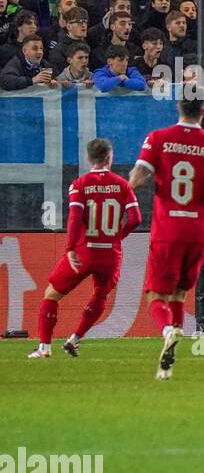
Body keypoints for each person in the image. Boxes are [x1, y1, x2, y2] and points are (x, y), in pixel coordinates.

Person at [128, 98, 204, 380]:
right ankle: (168, 365)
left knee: (156, 295)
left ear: (178, 108)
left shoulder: (158, 139)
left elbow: (137, 178)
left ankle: (168, 330)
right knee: (180, 293)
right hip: (199, 232)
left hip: (168, 229)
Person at [29, 138, 141, 359]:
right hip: (110, 253)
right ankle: (75, 338)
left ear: (89, 158)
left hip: (83, 251)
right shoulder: (122, 185)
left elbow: (74, 218)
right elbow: (136, 218)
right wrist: (118, 236)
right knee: (100, 295)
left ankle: (44, 348)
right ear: (109, 158)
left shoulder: (80, 184)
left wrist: (70, 248)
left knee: (51, 295)